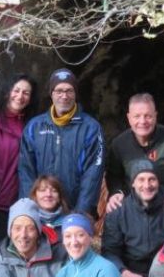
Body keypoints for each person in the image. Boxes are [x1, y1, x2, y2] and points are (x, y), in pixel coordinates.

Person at [19, 69, 105, 215]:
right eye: (59, 91)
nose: (64, 96)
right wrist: (31, 209)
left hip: (75, 210)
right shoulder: (34, 127)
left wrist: (81, 213)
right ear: (51, 94)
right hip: (41, 212)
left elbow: (93, 174)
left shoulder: (91, 128)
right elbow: (26, 171)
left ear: (75, 94)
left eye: (69, 91)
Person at [106, 93, 164, 210]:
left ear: (155, 116)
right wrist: (116, 192)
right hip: (136, 203)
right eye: (137, 116)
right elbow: (113, 175)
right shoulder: (119, 144)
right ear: (129, 118)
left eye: (148, 116)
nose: (143, 121)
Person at [0, 73, 39, 238]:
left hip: (29, 203)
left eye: (26, 93)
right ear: (6, 92)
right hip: (0, 204)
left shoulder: (35, 124)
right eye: (16, 90)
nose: (20, 96)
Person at [101, 159, 164, 277]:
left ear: (158, 182)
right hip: (131, 275)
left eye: (152, 179)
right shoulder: (118, 211)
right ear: (133, 183)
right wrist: (124, 273)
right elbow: (109, 251)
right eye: (141, 180)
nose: (147, 185)